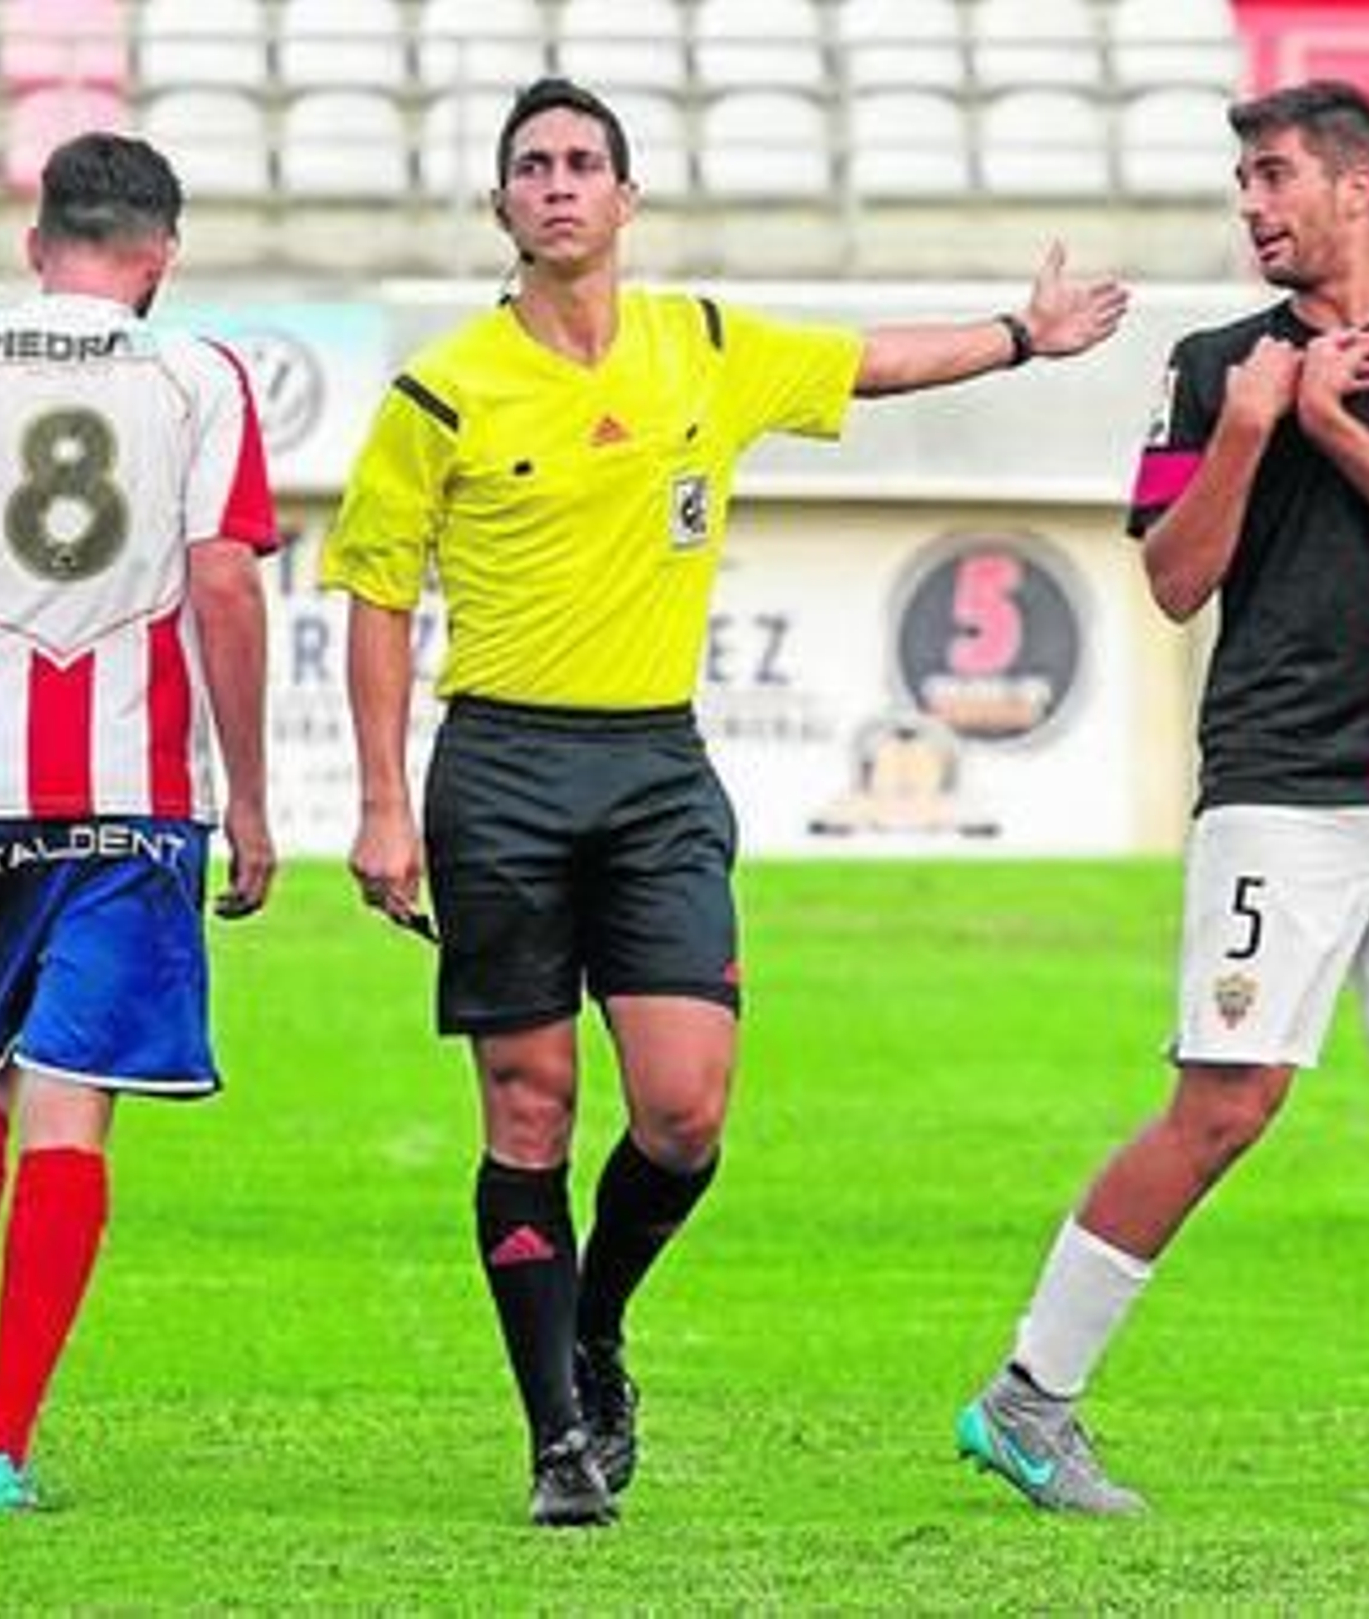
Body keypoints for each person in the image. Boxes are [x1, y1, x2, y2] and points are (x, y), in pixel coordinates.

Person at [322, 76, 1128, 1528]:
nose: (559, 183)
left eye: (584, 163)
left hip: (654, 768)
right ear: (503, 207)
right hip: (498, 768)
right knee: (530, 1106)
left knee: (684, 1111)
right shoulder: (439, 391)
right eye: (533, 166)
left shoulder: (702, 345)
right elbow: (378, 595)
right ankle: (559, 1437)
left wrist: (1024, 335)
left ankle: (599, 1322)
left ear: (626, 200)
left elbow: (868, 363)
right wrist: (382, 801)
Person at [957, 79, 1369, 1516]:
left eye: (1274, 178)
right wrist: (1251, 431)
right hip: (1285, 785)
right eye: (1243, 187)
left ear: (1357, 186)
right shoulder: (1215, 362)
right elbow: (1169, 580)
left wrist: (1334, 432)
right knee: (1227, 1100)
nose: (1254, 209)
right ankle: (1028, 1400)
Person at [0, 131, 277, 1516]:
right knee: (70, 1112)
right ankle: (4, 1445)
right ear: (161, 258)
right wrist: (251, 793)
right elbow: (222, 585)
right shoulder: (198, 373)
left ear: (37, 241)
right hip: (132, 800)